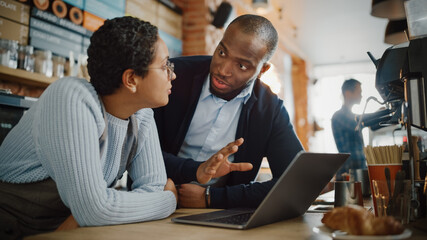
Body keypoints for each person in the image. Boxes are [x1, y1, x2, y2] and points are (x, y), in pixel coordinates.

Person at [0, 16, 243, 239]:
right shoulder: (71, 98)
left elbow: (143, 190)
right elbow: (95, 210)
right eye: (164, 66)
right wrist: (169, 199)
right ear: (131, 79)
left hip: (68, 231)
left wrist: (102, 207)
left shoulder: (142, 115)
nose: (173, 75)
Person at [154, 14, 304, 209]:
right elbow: (140, 150)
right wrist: (196, 170)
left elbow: (295, 183)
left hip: (221, 214)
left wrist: (211, 197)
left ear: (262, 70)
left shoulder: (270, 109)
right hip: (154, 202)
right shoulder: (174, 76)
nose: (223, 70)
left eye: (241, 65)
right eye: (222, 53)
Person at [331, 79, 366, 180]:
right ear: (348, 93)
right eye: (359, 92)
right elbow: (357, 124)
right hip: (348, 173)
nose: (361, 95)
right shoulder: (338, 116)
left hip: (358, 170)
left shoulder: (352, 116)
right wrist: (376, 116)